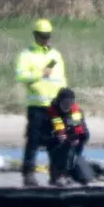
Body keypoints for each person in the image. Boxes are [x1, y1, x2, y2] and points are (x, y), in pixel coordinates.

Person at [14, 19, 66, 188]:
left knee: (57, 141)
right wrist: (40, 73)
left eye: (48, 36)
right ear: (35, 35)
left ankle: (56, 176)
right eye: (42, 36)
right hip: (37, 107)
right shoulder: (26, 55)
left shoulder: (55, 55)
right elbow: (20, 76)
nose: (46, 39)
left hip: (55, 108)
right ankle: (28, 175)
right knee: (33, 141)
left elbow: (62, 80)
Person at [46, 87, 91, 186]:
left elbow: (86, 134)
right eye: (65, 102)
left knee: (86, 178)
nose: (67, 105)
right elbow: (42, 137)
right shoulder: (49, 113)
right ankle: (60, 175)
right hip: (56, 150)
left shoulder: (77, 112)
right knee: (64, 148)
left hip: (73, 148)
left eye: (70, 103)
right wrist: (55, 138)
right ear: (59, 101)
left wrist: (78, 139)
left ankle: (72, 173)